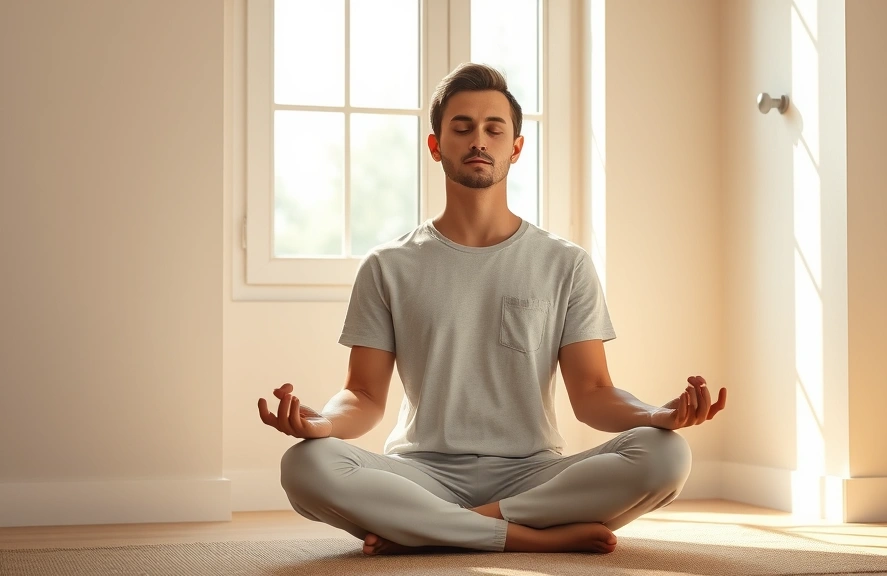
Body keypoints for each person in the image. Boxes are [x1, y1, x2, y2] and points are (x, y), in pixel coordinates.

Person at [257, 63, 727, 556]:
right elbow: (363, 394)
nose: (478, 140)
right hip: (421, 473)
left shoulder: (564, 263)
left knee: (666, 455)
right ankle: (521, 537)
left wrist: (656, 414)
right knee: (304, 466)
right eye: (461, 128)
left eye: (493, 129)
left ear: (515, 148)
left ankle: (440, 530)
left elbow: (592, 393)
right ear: (436, 146)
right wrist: (322, 425)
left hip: (534, 474)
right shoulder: (387, 266)